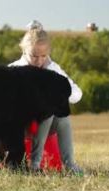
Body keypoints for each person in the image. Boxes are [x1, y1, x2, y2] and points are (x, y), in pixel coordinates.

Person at [9, 21, 83, 174]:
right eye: (34, 56)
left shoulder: (53, 69)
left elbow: (77, 94)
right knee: (46, 108)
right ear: (24, 50)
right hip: (18, 125)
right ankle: (35, 165)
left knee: (61, 116)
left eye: (43, 55)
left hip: (44, 123)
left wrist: (58, 93)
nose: (39, 61)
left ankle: (70, 166)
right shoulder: (13, 70)